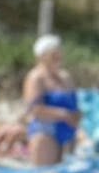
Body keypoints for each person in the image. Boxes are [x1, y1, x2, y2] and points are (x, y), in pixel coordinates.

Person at [22, 34, 80, 166]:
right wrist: (63, 115)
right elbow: (34, 109)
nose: (58, 56)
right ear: (42, 56)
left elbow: (74, 104)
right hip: (46, 131)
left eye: (59, 52)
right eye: (53, 53)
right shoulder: (36, 78)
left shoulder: (65, 77)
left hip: (68, 130)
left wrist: (76, 116)